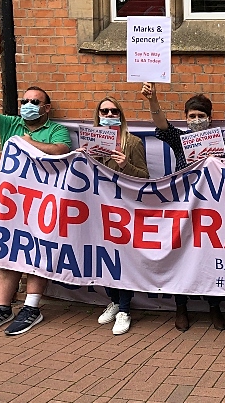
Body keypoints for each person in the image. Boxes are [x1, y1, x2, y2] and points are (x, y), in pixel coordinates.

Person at [0, 67, 72, 335]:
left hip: (42, 205)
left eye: (35, 102)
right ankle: (2, 307)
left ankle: (31, 308)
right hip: (12, 204)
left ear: (47, 108)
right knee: (9, 252)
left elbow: (61, 151)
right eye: (25, 101)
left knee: (38, 253)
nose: (28, 105)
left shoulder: (56, 129)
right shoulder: (11, 124)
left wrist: (29, 143)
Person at [141, 82, 225, 332]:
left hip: (211, 208)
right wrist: (152, 100)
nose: (197, 120)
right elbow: (161, 123)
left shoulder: (220, 140)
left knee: (210, 258)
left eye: (201, 116)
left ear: (210, 119)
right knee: (181, 256)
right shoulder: (179, 138)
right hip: (181, 205)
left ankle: (214, 306)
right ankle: (181, 306)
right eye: (192, 116)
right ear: (186, 118)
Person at [89, 97, 149, 335]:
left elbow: (145, 177)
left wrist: (126, 165)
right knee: (102, 257)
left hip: (123, 209)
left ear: (121, 116)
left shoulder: (132, 142)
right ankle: (114, 300)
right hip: (96, 208)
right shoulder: (90, 141)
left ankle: (125, 309)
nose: (109, 115)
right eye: (104, 111)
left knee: (122, 259)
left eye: (114, 111)